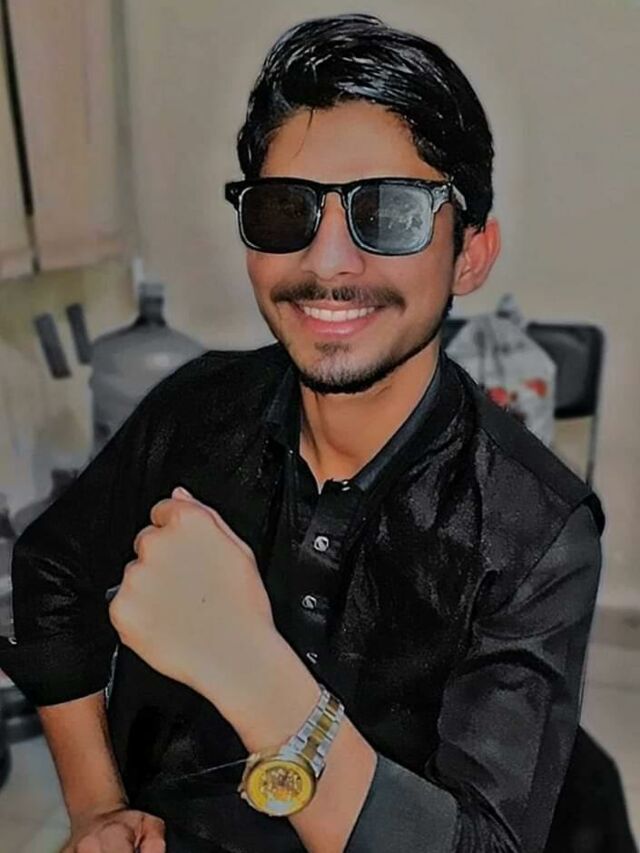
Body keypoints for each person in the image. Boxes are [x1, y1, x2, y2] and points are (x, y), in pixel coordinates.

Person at [0, 13, 607, 853]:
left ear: (470, 253)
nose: (327, 264)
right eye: (288, 209)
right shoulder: (194, 411)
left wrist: (247, 666)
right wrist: (96, 805)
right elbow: (51, 570)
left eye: (388, 211)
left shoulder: (536, 531)